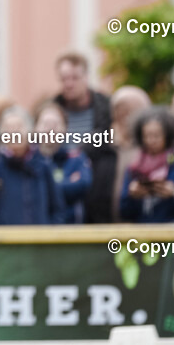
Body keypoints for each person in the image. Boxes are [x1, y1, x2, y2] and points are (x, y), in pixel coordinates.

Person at [0, 106, 65, 225]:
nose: (14, 133)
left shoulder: (43, 167)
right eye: (8, 128)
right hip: (6, 242)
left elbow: (58, 210)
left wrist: (49, 234)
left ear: (29, 131)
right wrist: (0, 237)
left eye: (19, 127)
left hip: (41, 241)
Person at [53, 51, 114, 223]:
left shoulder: (107, 109)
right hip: (62, 194)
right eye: (63, 79)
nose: (69, 84)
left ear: (86, 77)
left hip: (99, 192)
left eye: (74, 78)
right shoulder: (51, 110)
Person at [119, 107, 174, 223]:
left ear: (167, 135)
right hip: (143, 235)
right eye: (147, 135)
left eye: (157, 135)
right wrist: (133, 196)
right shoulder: (133, 168)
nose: (151, 140)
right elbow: (123, 211)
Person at [34, 102, 92, 224]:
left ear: (65, 129)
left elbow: (83, 185)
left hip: (71, 231)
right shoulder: (28, 161)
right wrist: (66, 184)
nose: (50, 129)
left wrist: (45, 188)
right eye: (46, 124)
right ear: (36, 128)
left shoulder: (77, 159)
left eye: (55, 124)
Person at [109, 86, 151, 220]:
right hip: (102, 228)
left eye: (133, 111)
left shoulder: (152, 149)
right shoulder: (99, 147)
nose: (127, 117)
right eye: (122, 110)